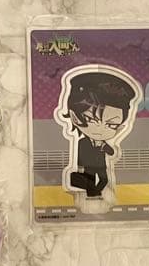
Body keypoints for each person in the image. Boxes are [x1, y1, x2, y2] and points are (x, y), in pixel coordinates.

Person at [59, 69, 138, 198]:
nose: (100, 129)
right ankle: (92, 195)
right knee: (89, 184)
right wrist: (79, 168)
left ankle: (95, 194)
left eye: (111, 125)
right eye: (91, 119)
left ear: (120, 127)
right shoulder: (82, 142)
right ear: (74, 117)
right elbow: (79, 156)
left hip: (101, 167)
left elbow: (111, 152)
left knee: (104, 181)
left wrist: (105, 147)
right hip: (88, 168)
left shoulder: (103, 143)